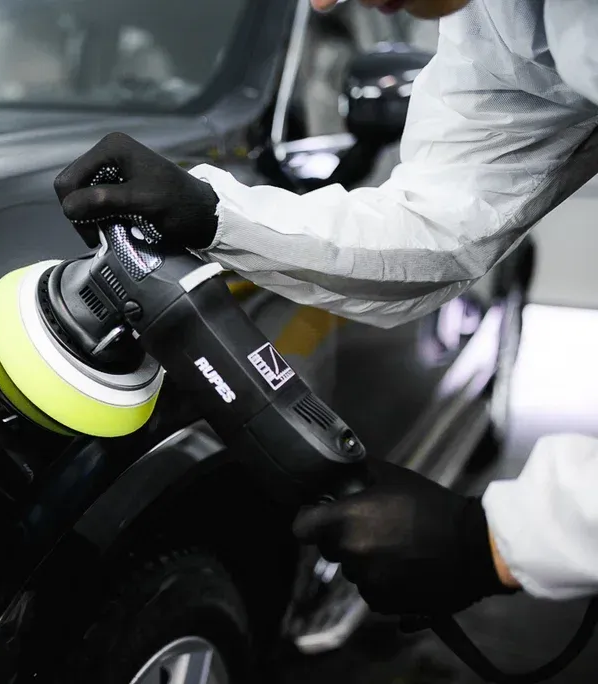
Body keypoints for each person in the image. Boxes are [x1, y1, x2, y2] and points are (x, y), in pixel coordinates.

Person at [52, 0, 598, 618]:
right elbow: (441, 223)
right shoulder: (503, 24)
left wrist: (509, 538)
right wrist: (216, 213)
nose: (323, 2)